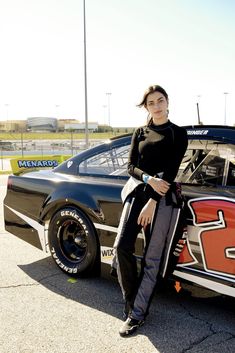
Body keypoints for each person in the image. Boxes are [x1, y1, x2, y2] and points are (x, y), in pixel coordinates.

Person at [114, 85, 188, 337]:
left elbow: (170, 171)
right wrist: (147, 179)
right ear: (146, 107)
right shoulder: (140, 132)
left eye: (160, 101)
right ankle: (131, 302)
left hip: (162, 201)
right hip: (139, 192)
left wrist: (154, 200)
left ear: (168, 102)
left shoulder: (178, 133)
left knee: (151, 259)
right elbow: (130, 167)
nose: (156, 106)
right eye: (151, 103)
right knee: (122, 247)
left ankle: (137, 315)